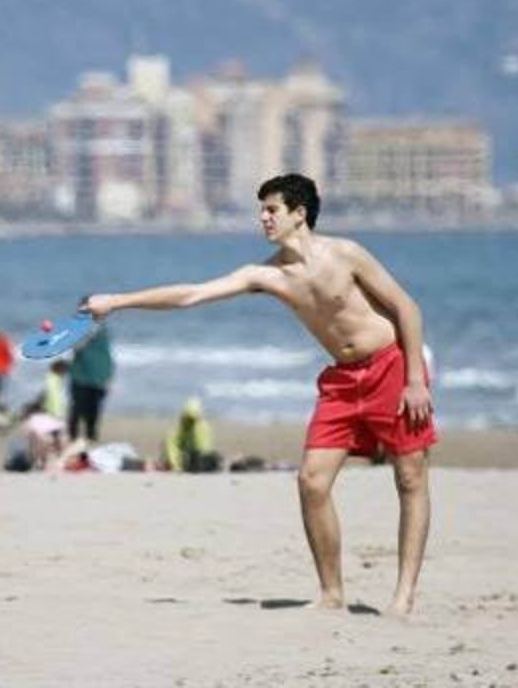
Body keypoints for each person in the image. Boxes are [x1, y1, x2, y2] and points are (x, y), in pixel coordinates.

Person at [84, 173, 436, 616]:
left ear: (299, 214)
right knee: (311, 481)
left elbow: (407, 307)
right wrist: (116, 301)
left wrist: (416, 379)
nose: (263, 218)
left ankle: (402, 598)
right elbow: (192, 294)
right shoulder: (266, 275)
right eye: (262, 210)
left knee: (410, 478)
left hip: (391, 367)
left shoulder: (346, 254)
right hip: (343, 382)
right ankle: (331, 595)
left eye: (272, 209)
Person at [68, 324, 113, 441]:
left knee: (94, 409)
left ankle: (91, 436)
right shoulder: (78, 329)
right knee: (77, 408)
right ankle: (72, 436)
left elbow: (106, 355)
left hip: (99, 377)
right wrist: (88, 335)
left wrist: (109, 377)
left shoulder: (103, 331)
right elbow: (75, 347)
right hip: (80, 377)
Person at [161, 397, 218, 473]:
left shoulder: (201, 427)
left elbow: (203, 448)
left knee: (210, 458)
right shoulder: (182, 429)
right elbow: (172, 446)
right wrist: (176, 464)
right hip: (188, 458)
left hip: (193, 457)